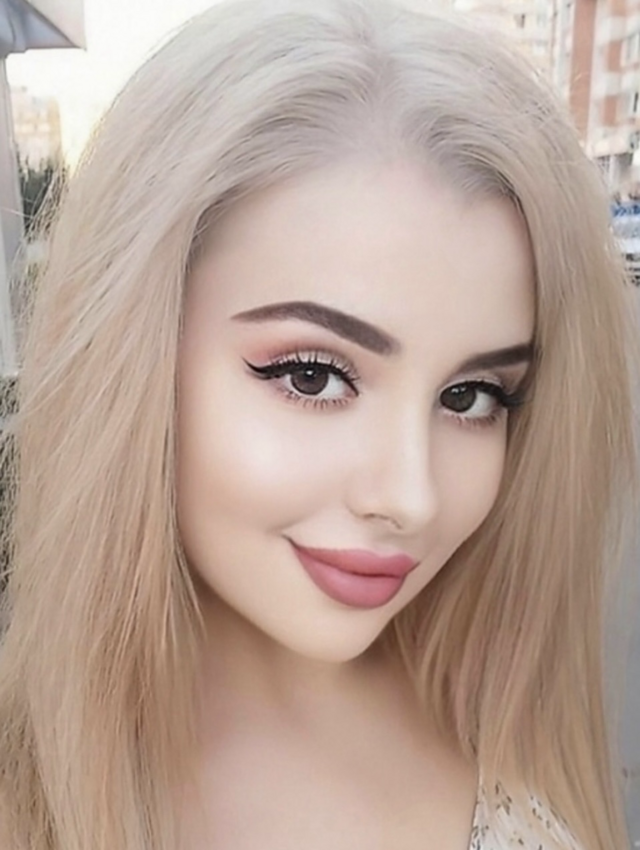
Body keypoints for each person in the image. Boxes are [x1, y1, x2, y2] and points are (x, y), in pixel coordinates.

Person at [0, 0, 636, 848]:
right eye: (312, 376)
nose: (409, 497)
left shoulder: (503, 694)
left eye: (471, 397)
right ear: (132, 360)